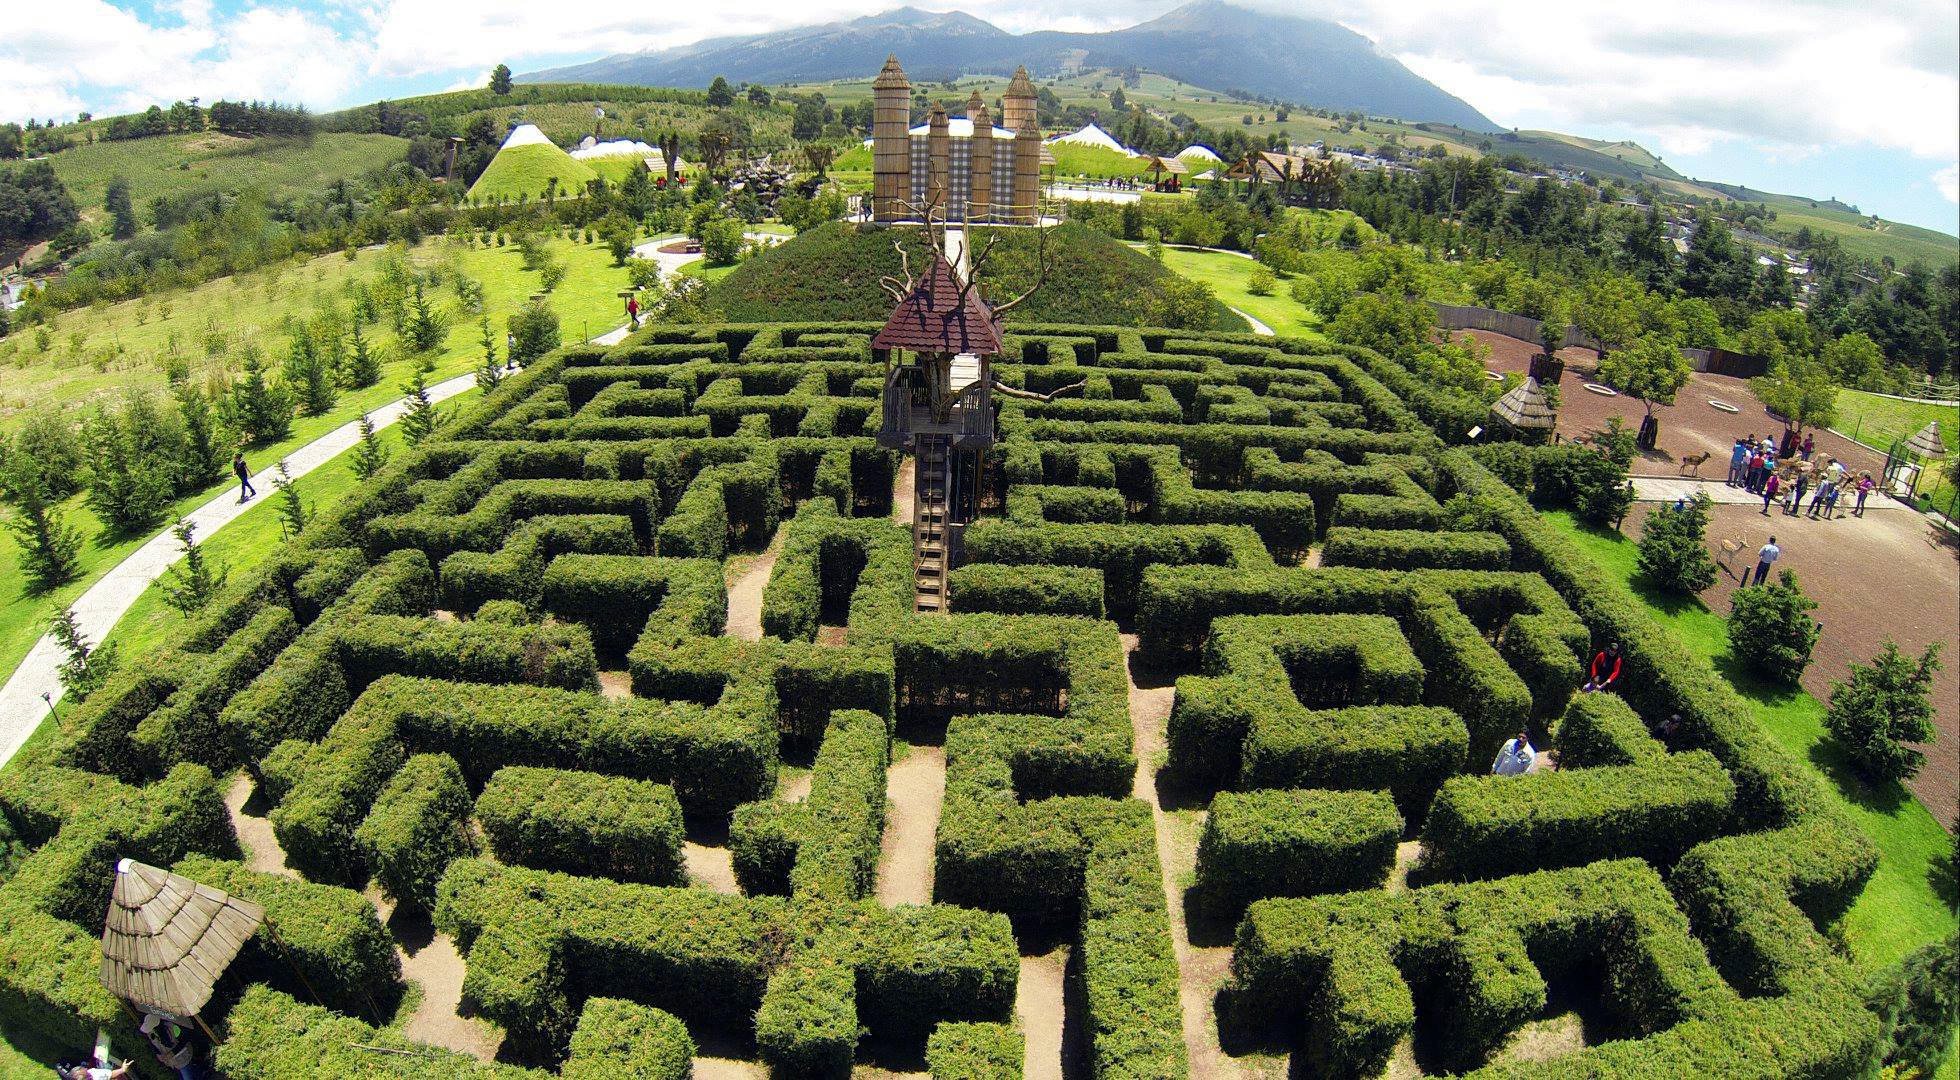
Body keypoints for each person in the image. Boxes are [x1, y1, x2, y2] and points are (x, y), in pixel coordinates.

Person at [140, 1013, 201, 1080]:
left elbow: (185, 1039)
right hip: (174, 1063)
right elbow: (154, 1044)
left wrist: (172, 1053)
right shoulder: (151, 1032)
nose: (149, 1030)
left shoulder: (171, 1027)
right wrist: (158, 1054)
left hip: (183, 1058)